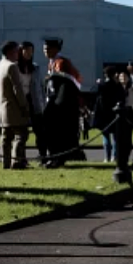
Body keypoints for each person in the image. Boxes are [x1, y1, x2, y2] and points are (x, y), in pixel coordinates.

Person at [42, 37, 83, 167]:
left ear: (55, 49)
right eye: (44, 48)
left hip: (62, 105)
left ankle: (58, 159)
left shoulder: (62, 63)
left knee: (59, 134)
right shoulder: (52, 63)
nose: (45, 51)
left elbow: (69, 84)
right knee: (51, 132)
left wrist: (58, 105)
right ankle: (53, 157)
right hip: (54, 102)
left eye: (48, 48)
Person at [0, 41, 30, 169]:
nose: (18, 54)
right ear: (10, 52)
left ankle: (5, 162)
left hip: (3, 108)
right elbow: (17, 89)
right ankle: (17, 161)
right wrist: (24, 105)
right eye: (16, 51)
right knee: (21, 134)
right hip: (14, 108)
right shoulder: (12, 66)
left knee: (5, 137)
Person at [18, 42, 47, 160]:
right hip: (21, 101)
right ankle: (20, 156)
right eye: (26, 51)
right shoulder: (15, 67)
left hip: (34, 101)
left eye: (31, 51)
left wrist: (42, 103)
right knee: (21, 131)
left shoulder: (35, 67)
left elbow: (40, 86)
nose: (29, 54)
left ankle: (42, 154)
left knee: (40, 131)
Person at [93, 66, 126, 162]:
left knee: (106, 136)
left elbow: (99, 101)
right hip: (115, 113)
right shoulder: (117, 85)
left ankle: (107, 157)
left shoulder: (102, 85)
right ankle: (114, 156)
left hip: (104, 114)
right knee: (115, 137)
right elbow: (122, 97)